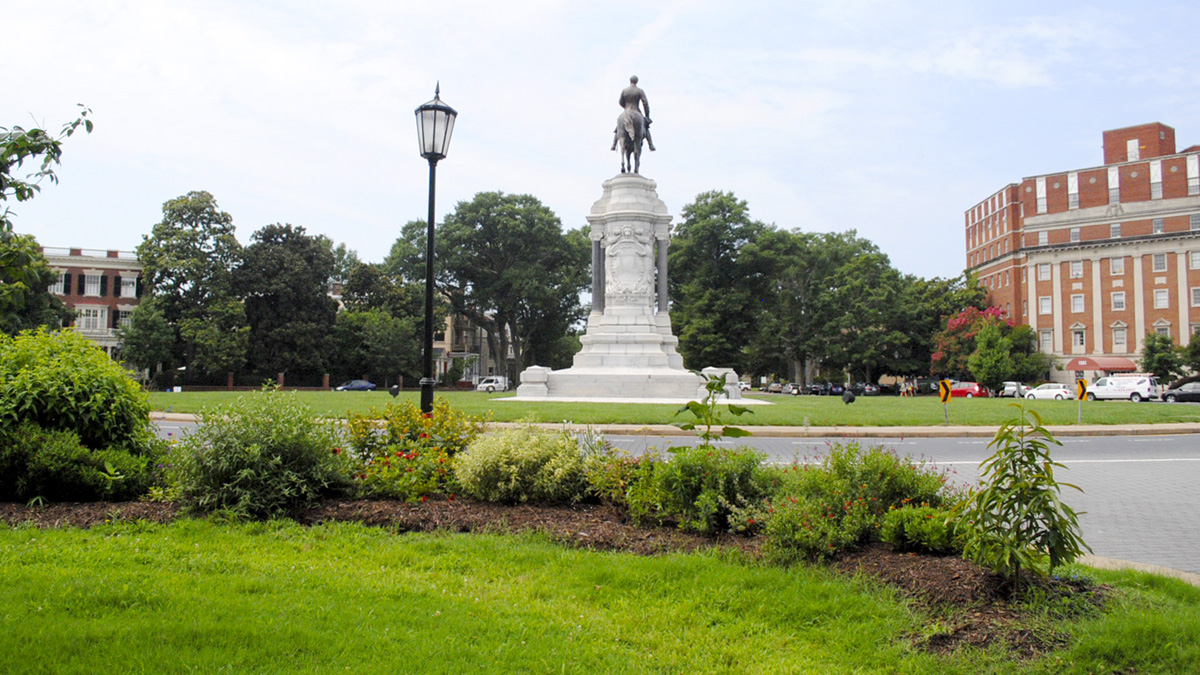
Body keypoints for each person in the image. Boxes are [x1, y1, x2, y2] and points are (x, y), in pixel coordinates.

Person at [611, 75, 656, 152]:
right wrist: (647, 116)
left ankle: (614, 145)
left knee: (618, 127)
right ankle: (651, 145)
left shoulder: (624, 90)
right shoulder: (640, 91)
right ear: (637, 81)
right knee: (646, 127)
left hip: (626, 110)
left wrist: (626, 107)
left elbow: (620, 102)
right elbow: (645, 103)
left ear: (630, 81)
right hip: (636, 110)